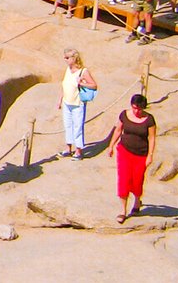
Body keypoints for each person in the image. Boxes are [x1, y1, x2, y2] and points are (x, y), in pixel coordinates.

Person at [108, 94, 157, 224]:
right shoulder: (124, 115)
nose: (136, 111)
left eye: (139, 109)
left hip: (141, 153)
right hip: (124, 151)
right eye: (135, 108)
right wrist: (111, 145)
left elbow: (152, 138)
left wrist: (150, 155)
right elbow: (118, 130)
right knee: (124, 179)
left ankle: (137, 202)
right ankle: (123, 211)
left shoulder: (149, 119)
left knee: (137, 180)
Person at [57, 49, 97, 161]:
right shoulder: (68, 70)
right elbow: (65, 85)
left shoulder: (83, 71)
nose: (65, 60)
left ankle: (79, 150)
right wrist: (60, 99)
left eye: (67, 57)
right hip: (67, 102)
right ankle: (68, 148)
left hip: (77, 103)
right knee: (67, 125)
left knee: (78, 126)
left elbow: (94, 85)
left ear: (74, 58)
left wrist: (82, 83)